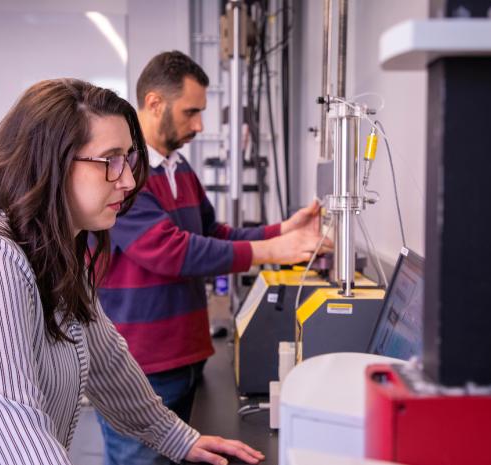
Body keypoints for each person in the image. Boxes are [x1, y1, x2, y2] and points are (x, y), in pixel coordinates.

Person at [0, 78, 264, 465]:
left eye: (129, 160)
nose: (128, 180)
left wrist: (175, 437)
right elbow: (10, 421)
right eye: (111, 161)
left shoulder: (59, 247)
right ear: (51, 162)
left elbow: (106, 360)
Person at [97, 51, 331, 464]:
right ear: (154, 103)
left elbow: (212, 234)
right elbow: (171, 251)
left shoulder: (178, 166)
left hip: (185, 355)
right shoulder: (125, 174)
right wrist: (270, 252)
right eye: (191, 112)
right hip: (139, 364)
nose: (199, 125)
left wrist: (283, 231)